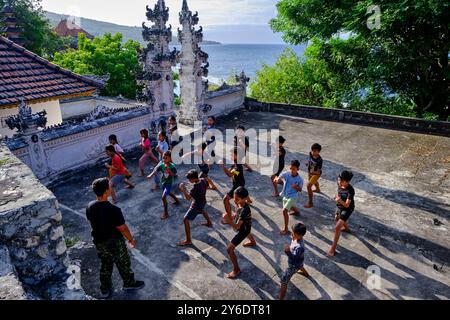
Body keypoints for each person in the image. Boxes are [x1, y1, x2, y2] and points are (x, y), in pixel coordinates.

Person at [86, 178, 145, 299]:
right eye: (110, 186)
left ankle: (105, 289)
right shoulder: (113, 210)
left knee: (106, 264)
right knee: (123, 263)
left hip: (99, 241)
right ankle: (129, 283)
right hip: (115, 241)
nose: (112, 188)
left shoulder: (90, 206)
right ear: (106, 191)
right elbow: (122, 228)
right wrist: (131, 239)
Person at [226, 186, 257, 279]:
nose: (234, 201)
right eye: (234, 198)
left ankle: (236, 269)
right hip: (246, 226)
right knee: (248, 231)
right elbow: (237, 214)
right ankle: (253, 242)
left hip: (243, 229)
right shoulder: (241, 204)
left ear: (244, 198)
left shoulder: (245, 210)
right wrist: (234, 215)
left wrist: (228, 220)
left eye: (237, 199)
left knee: (229, 249)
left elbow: (236, 227)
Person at [177, 170, 213, 246]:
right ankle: (209, 223)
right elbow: (208, 185)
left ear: (193, 178)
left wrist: (183, 188)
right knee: (202, 210)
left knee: (185, 219)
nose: (189, 181)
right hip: (203, 201)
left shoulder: (195, 187)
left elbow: (188, 198)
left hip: (196, 205)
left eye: (190, 179)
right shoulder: (203, 180)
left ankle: (188, 240)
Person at [328, 170, 355, 257]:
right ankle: (347, 229)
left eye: (341, 181)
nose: (339, 182)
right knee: (337, 218)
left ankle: (333, 248)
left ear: (347, 182)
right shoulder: (339, 183)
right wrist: (338, 199)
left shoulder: (351, 190)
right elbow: (340, 194)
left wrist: (339, 200)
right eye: (338, 179)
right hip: (339, 206)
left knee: (337, 227)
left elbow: (347, 205)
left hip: (347, 209)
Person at [279, 223, 309, 300]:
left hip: (293, 265)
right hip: (299, 262)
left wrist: (287, 251)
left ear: (300, 235)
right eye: (292, 232)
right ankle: (306, 274)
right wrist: (293, 237)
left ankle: (280, 299)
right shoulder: (297, 238)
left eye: (294, 233)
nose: (292, 234)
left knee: (284, 280)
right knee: (300, 266)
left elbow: (294, 258)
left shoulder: (299, 247)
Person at [147, 151, 180, 220]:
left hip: (169, 183)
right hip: (163, 182)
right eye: (163, 158)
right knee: (168, 192)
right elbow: (156, 170)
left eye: (166, 158)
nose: (164, 160)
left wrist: (169, 170)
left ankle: (166, 213)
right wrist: (150, 175)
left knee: (163, 197)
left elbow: (173, 175)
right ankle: (177, 201)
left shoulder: (172, 166)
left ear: (171, 159)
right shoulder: (162, 165)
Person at [219, 148, 248, 225]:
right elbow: (230, 172)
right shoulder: (235, 163)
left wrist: (222, 166)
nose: (231, 155)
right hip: (238, 184)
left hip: (238, 186)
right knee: (237, 201)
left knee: (226, 199)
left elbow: (229, 174)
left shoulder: (238, 166)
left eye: (232, 154)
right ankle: (240, 213)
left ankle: (230, 217)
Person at [275, 160, 303, 235]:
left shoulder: (300, 179)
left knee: (284, 210)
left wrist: (296, 187)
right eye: (291, 168)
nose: (291, 170)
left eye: (293, 169)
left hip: (293, 196)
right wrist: (278, 179)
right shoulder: (287, 174)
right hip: (285, 194)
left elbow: (300, 190)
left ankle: (286, 229)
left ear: (298, 169)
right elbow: (279, 177)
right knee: (290, 207)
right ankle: (297, 212)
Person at [304, 143, 323, 208]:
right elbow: (310, 160)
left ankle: (310, 202)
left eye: (315, 151)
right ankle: (318, 189)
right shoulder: (310, 154)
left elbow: (318, 171)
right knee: (313, 181)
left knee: (308, 186)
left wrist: (314, 172)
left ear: (319, 152)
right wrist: (308, 163)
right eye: (312, 150)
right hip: (310, 172)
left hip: (316, 174)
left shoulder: (320, 160)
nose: (313, 152)